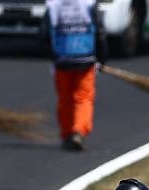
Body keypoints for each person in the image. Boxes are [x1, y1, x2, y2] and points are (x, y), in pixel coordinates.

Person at [44, 0, 107, 151]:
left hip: (62, 59)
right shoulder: (89, 3)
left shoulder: (53, 4)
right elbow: (99, 31)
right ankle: (79, 131)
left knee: (65, 99)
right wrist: (102, 58)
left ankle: (67, 133)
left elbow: (44, 34)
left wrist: (52, 55)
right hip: (85, 59)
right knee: (84, 98)